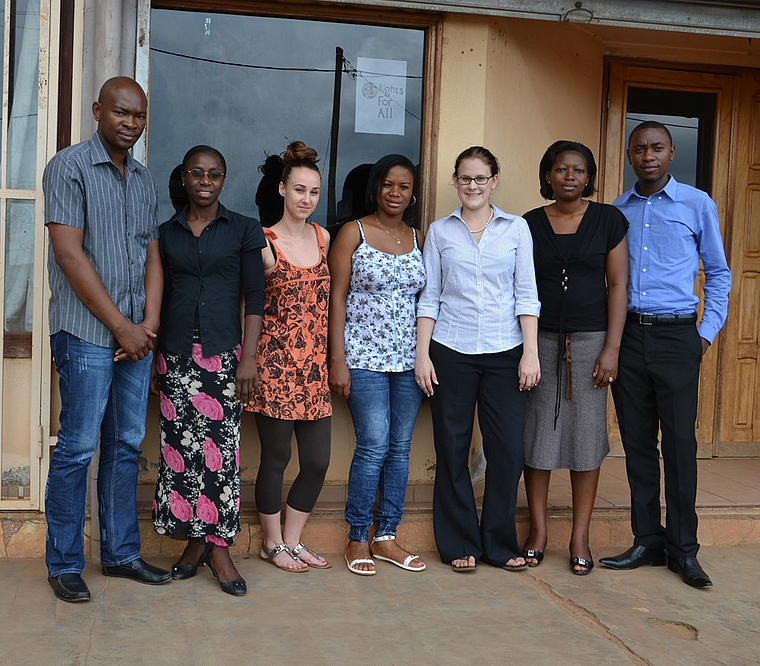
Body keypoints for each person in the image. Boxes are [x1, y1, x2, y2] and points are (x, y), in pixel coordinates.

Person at [42, 77, 170, 602]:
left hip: (137, 337)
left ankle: (120, 555)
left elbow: (153, 258)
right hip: (88, 335)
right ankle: (65, 562)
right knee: (75, 449)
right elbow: (70, 256)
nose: (131, 124)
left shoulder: (142, 179)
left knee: (123, 446)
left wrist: (148, 328)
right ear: (98, 111)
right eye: (121, 113)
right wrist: (121, 327)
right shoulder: (68, 167)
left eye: (138, 116)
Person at [600, 121, 731, 588]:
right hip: (629, 337)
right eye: (639, 149)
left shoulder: (697, 204)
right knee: (636, 444)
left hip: (679, 338)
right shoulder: (616, 211)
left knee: (679, 446)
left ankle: (684, 550)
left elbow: (718, 273)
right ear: (630, 155)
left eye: (656, 147)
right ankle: (647, 540)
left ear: (672, 152)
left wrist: (705, 334)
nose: (648, 155)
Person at [415, 146, 541, 572]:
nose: (473, 186)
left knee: (506, 449)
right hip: (450, 351)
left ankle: (500, 544)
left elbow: (527, 294)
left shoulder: (516, 229)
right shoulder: (440, 231)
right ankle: (458, 543)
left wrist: (530, 353)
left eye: (481, 178)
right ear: (455, 181)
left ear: (494, 180)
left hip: (507, 352)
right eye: (465, 178)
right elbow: (429, 297)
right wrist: (422, 355)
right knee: (452, 448)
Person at [152, 145, 266, 596]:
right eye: (196, 173)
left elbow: (255, 297)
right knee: (181, 453)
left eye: (213, 174)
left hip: (224, 356)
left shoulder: (243, 229)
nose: (204, 180)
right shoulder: (166, 233)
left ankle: (220, 548)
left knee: (221, 455)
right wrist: (157, 355)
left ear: (223, 179)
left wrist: (249, 357)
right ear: (183, 177)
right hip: (175, 355)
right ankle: (194, 545)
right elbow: (159, 294)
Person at [521, 141, 629, 575]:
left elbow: (618, 285)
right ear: (548, 175)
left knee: (586, 438)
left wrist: (612, 348)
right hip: (538, 343)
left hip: (591, 344)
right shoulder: (527, 223)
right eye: (561, 169)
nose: (570, 176)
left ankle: (580, 535)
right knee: (537, 438)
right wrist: (526, 348)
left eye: (579, 170)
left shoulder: (609, 220)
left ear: (589, 177)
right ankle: (538, 531)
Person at [328, 154, 427, 576]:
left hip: (409, 361)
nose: (395, 193)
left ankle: (386, 536)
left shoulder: (419, 237)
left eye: (403, 186)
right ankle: (357, 536)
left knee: (400, 449)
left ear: (413, 194)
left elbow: (427, 301)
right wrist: (337, 359)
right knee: (373, 447)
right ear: (375, 188)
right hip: (363, 357)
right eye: (388, 184)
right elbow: (335, 297)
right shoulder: (353, 232)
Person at [247, 141, 333, 572]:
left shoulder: (323, 237)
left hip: (314, 367)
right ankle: (273, 542)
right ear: (282, 190)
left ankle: (294, 540)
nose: (307, 200)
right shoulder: (264, 242)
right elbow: (251, 307)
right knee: (276, 460)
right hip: (275, 366)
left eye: (314, 192)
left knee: (318, 460)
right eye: (299, 190)